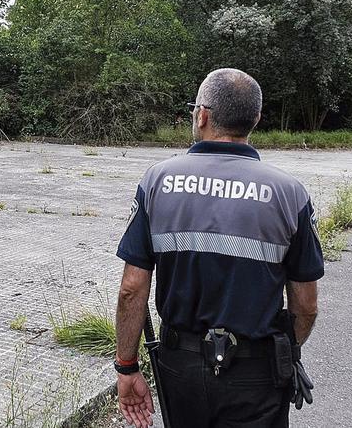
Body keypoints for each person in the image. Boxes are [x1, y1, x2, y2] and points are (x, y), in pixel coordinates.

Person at [113, 68, 324, 428]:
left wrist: (127, 367)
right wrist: (283, 352)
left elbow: (132, 289)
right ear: (255, 120)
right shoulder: (291, 193)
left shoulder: (158, 180)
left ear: (202, 115)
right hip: (257, 371)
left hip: (181, 366)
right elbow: (306, 307)